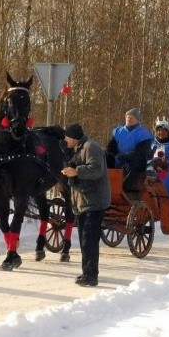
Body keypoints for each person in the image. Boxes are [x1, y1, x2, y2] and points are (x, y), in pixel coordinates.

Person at [61, 123, 110, 287]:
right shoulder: (76, 149)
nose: (64, 140)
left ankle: (91, 275)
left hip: (94, 201)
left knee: (89, 239)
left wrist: (76, 171)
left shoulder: (91, 147)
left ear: (73, 138)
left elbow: (96, 170)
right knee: (84, 239)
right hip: (83, 201)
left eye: (66, 137)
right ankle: (87, 272)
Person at [106, 108, 153, 195]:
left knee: (136, 164)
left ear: (137, 120)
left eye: (132, 117)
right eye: (128, 117)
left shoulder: (143, 134)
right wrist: (109, 155)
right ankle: (106, 184)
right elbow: (111, 147)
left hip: (134, 161)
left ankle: (126, 189)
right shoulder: (118, 131)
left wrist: (126, 156)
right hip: (119, 159)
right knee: (106, 158)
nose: (129, 119)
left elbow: (141, 153)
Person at [148, 117, 169, 199]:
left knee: (161, 182)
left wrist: (159, 170)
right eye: (159, 130)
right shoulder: (152, 144)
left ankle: (163, 197)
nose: (161, 132)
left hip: (166, 173)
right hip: (150, 170)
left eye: (164, 130)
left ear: (168, 132)